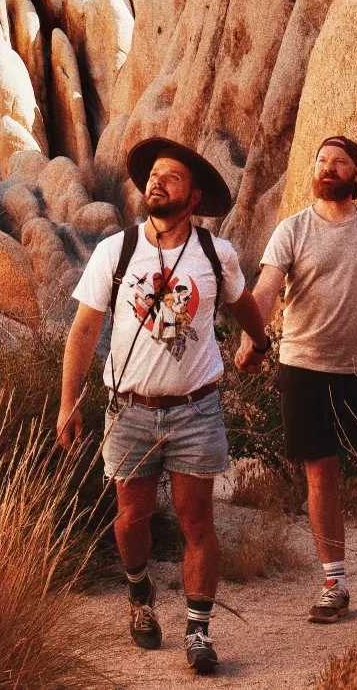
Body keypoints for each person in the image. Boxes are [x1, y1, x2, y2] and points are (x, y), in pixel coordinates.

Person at [58, 137, 272, 676]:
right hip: (128, 410)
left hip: (196, 409)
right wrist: (68, 403)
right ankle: (139, 591)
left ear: (194, 195)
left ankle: (198, 631)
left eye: (171, 176)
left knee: (197, 520)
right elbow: (85, 329)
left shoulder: (214, 255)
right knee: (131, 520)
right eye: (154, 174)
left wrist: (261, 343)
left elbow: (243, 305)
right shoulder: (117, 251)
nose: (157, 181)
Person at [234, 134, 357, 623]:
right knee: (321, 475)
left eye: (339, 162)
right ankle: (334, 581)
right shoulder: (292, 230)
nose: (328, 168)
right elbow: (267, 291)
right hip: (304, 369)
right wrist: (251, 341)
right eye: (322, 161)